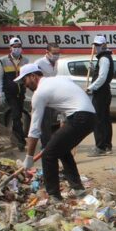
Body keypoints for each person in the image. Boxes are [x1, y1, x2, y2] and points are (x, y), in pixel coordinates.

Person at [16, 64, 96, 202]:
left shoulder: (39, 93)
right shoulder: (59, 79)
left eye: (25, 81)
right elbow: (69, 97)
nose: (24, 85)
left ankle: (54, 196)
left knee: (48, 155)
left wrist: (29, 157)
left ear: (33, 76)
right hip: (90, 116)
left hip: (80, 117)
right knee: (62, 150)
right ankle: (78, 188)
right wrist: (64, 122)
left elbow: (34, 129)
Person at [0, 37, 29, 151]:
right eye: (15, 47)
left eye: (19, 46)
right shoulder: (3, 60)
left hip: (21, 93)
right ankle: (21, 142)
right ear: (10, 48)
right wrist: (0, 93)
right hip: (10, 93)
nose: (17, 49)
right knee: (15, 116)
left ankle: (14, 139)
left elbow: (27, 76)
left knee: (18, 117)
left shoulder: (25, 60)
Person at [87, 35, 114, 157]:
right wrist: (93, 69)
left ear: (104, 45)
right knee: (105, 119)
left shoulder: (104, 58)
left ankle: (100, 147)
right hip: (104, 92)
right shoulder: (103, 58)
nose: (96, 47)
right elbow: (100, 74)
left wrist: (90, 87)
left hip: (101, 92)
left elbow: (102, 77)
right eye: (95, 45)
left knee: (98, 120)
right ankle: (107, 145)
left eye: (98, 45)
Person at [35, 43, 61, 148]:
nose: (56, 55)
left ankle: (51, 144)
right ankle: (45, 146)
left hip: (52, 96)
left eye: (58, 53)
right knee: (44, 123)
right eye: (54, 53)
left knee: (52, 122)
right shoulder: (39, 63)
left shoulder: (56, 63)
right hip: (43, 96)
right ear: (47, 52)